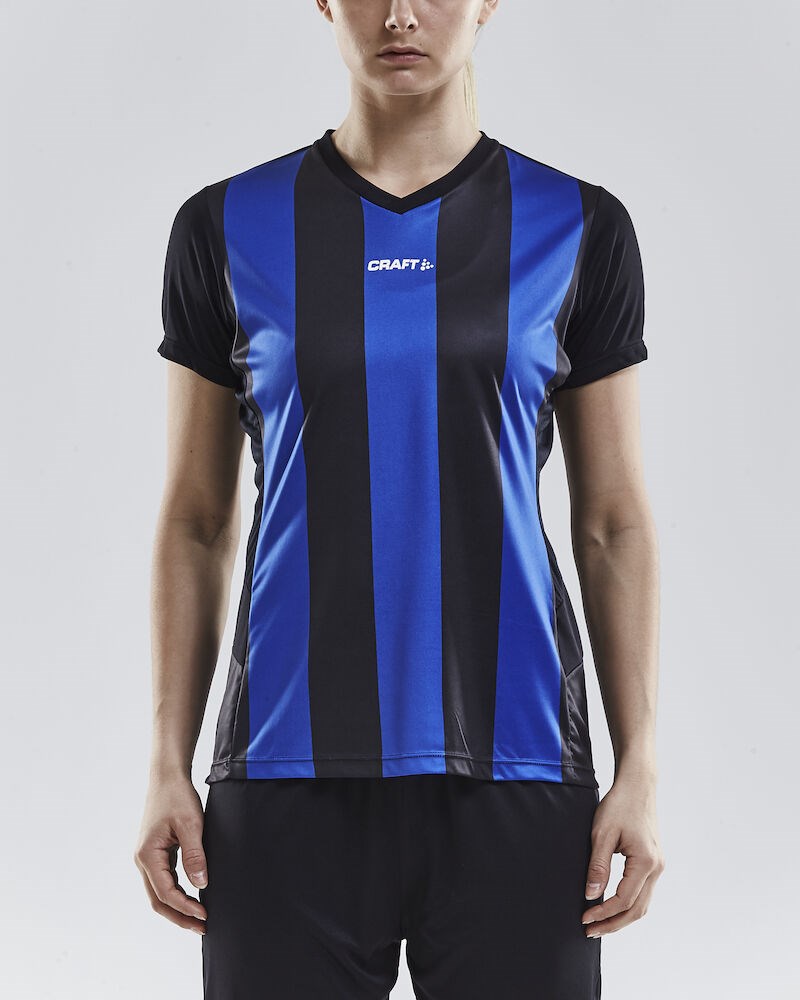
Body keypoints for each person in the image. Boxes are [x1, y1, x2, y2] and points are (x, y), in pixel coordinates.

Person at [134, 1, 665, 997]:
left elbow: (611, 523)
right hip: (283, 773)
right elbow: (196, 520)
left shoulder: (579, 226)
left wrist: (639, 767)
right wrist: (166, 760)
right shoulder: (225, 225)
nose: (400, 15)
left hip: (517, 771)